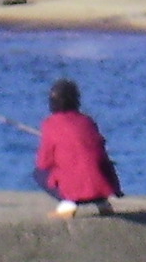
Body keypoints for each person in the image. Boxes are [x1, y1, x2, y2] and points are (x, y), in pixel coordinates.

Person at [34, 78, 123, 217]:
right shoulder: (88, 121)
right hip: (102, 185)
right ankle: (101, 202)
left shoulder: (50, 124)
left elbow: (43, 163)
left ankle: (67, 203)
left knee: (38, 173)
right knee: (92, 168)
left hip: (75, 189)